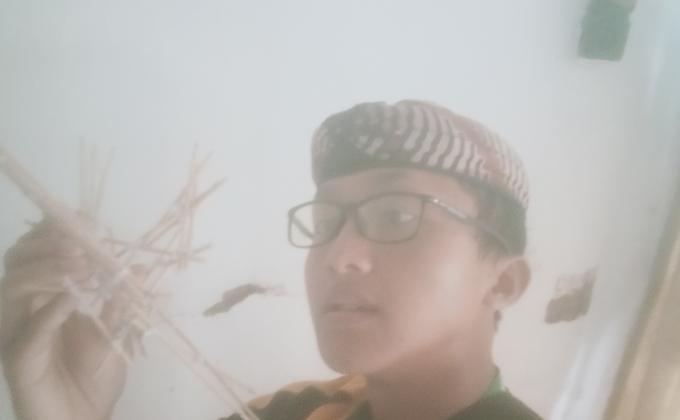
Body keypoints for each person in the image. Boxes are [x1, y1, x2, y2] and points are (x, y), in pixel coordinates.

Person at [0, 100, 542, 420]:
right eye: (325, 221)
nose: (338, 256)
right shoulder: (294, 411)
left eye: (397, 215)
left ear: (503, 281)